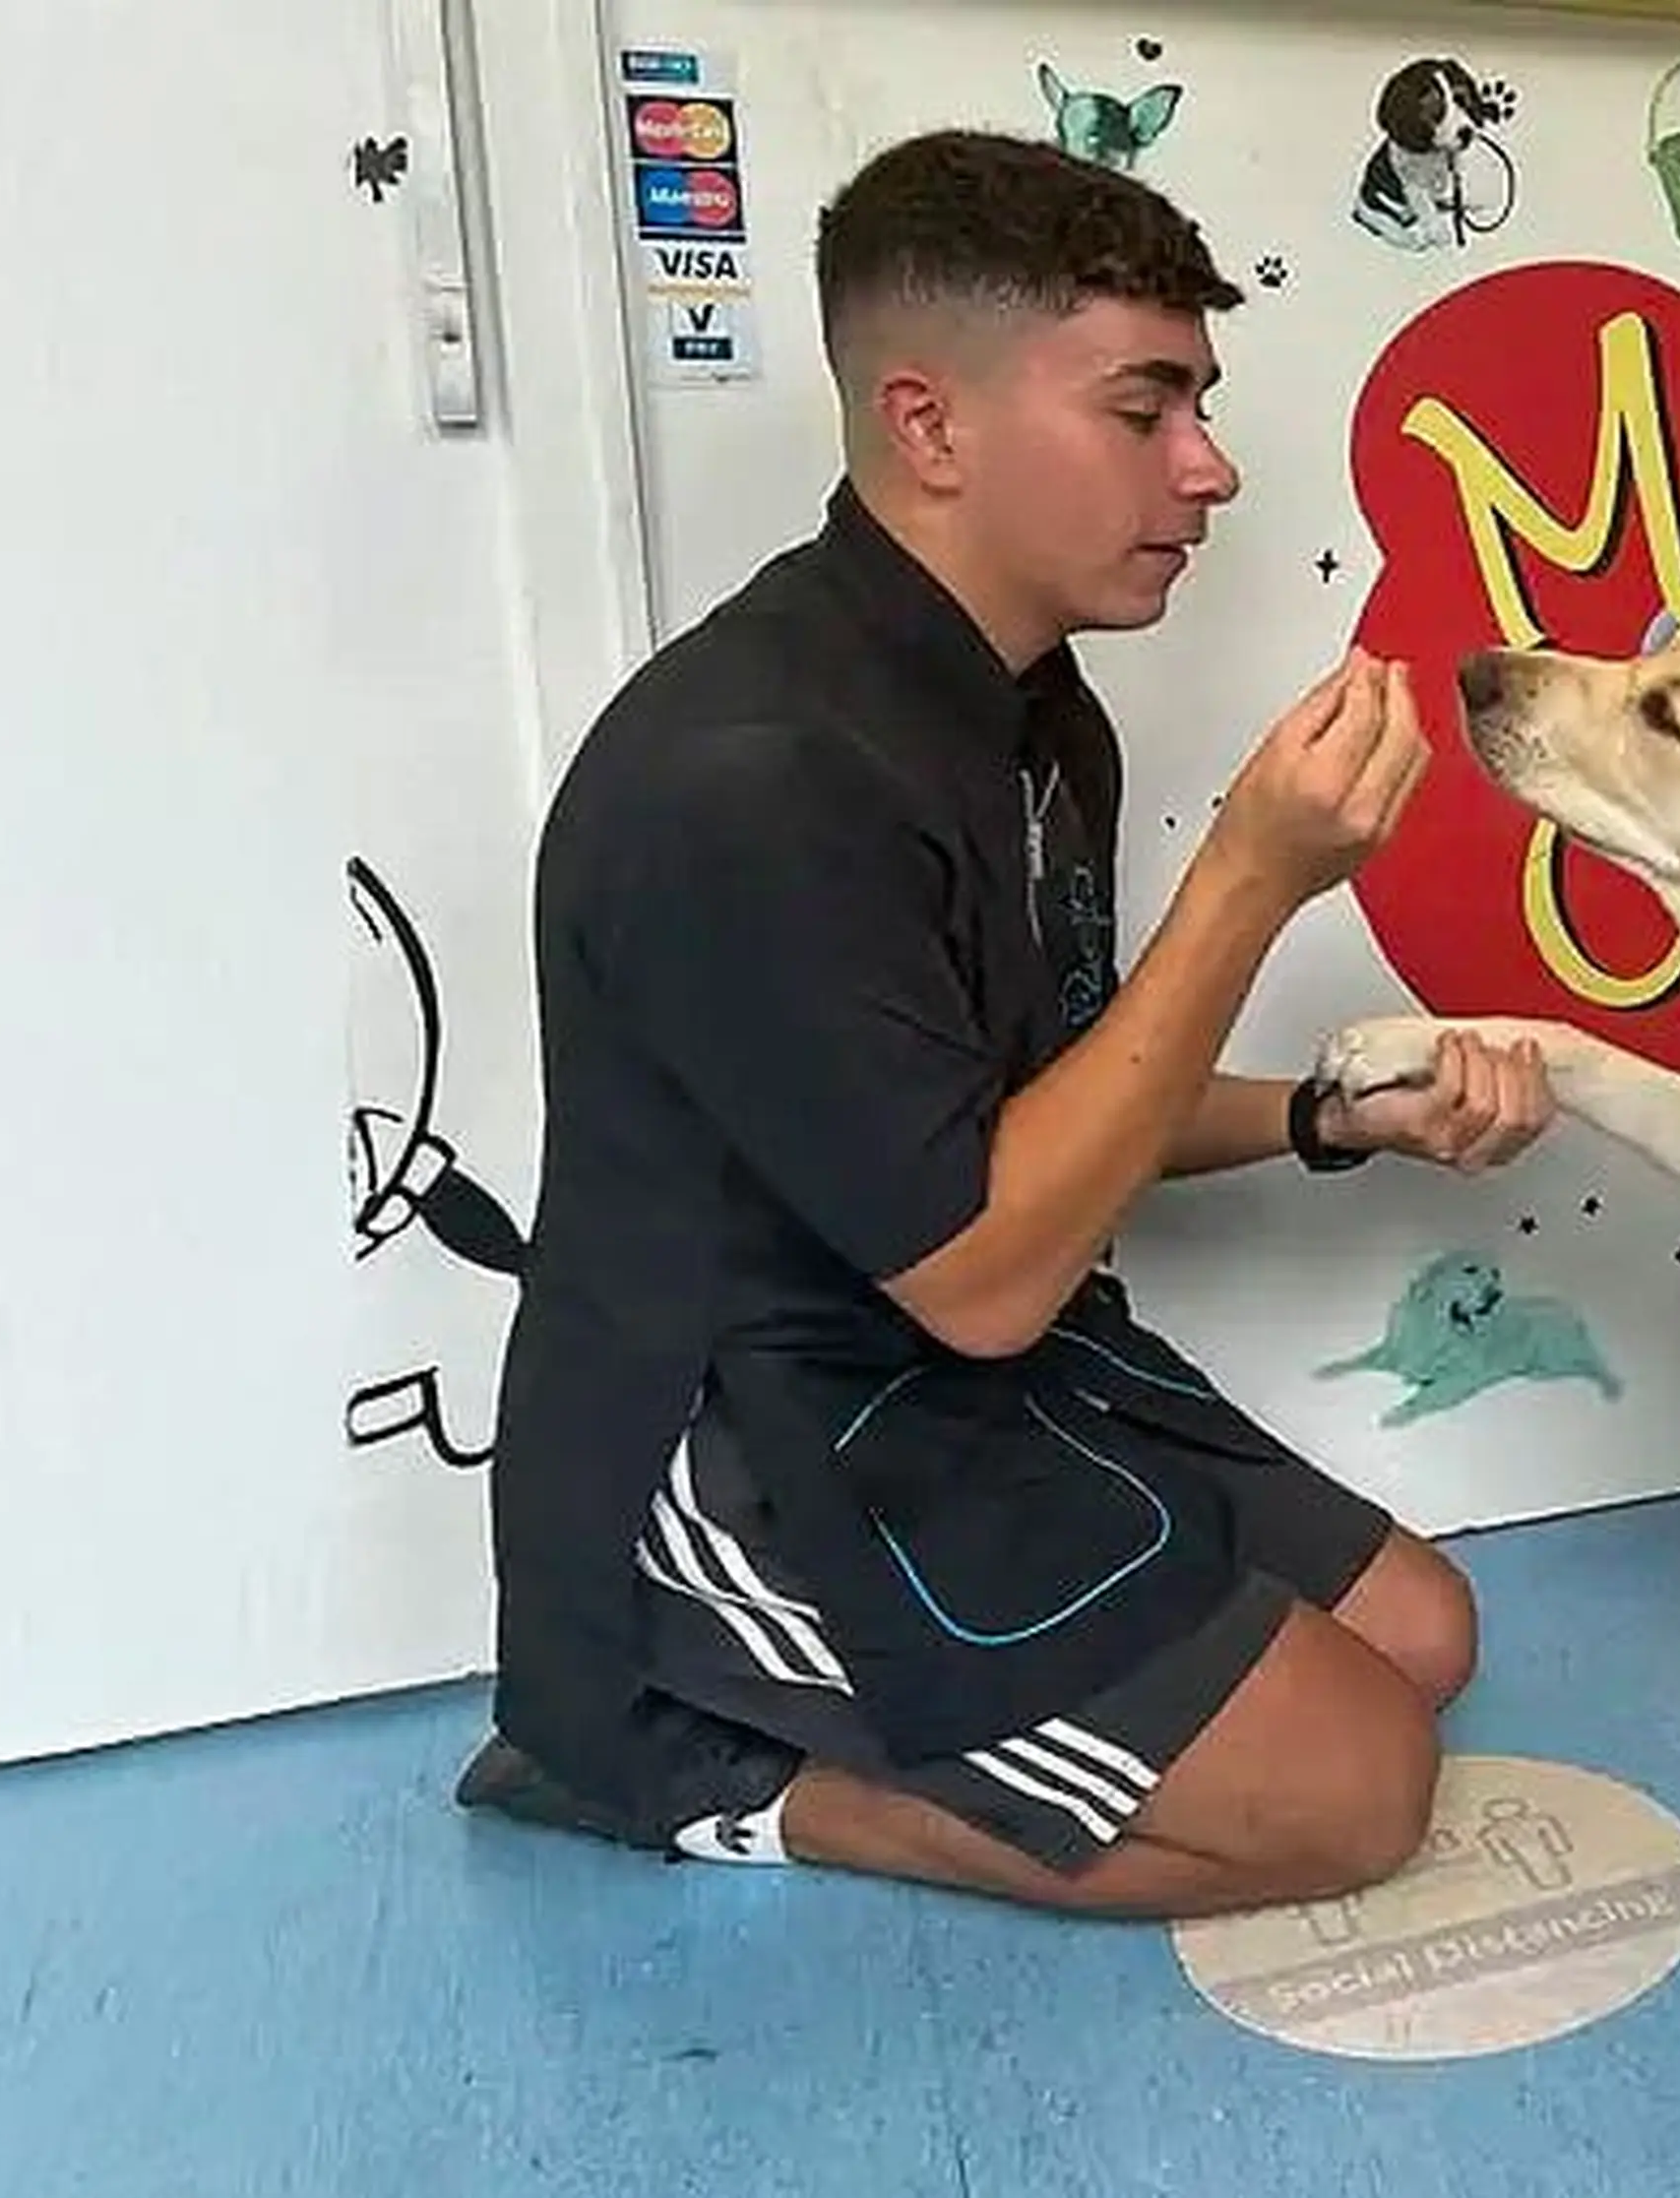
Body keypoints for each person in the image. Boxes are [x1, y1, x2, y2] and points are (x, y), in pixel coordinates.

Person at [454, 126, 1560, 1920]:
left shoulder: (1042, 716)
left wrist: (1325, 1117)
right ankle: (675, 1761)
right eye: (1145, 410)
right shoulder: (747, 781)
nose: (1209, 468)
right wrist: (1251, 883)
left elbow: (1047, 1113)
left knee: (1424, 1634)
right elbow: (982, 1264)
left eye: (1200, 403)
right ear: (929, 425)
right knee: (1355, 1800)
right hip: (751, 1419)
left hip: (965, 1349)